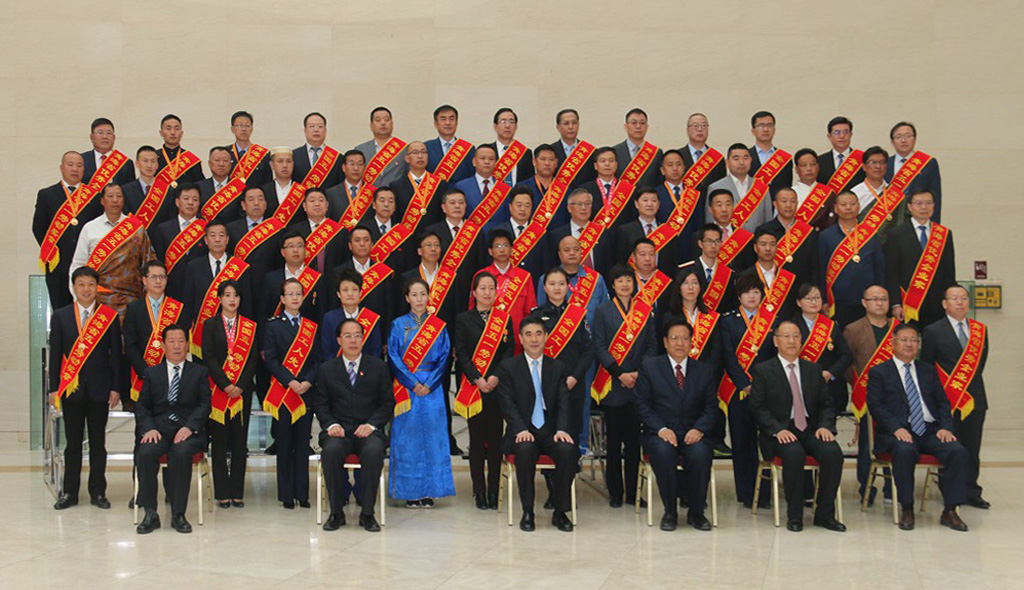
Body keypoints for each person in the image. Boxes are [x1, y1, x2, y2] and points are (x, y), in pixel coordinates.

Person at [866, 323, 970, 532]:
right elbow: (876, 406)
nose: (909, 344)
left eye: (914, 340)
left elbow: (942, 403)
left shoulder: (927, 370)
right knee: (905, 451)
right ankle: (907, 508)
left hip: (930, 431)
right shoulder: (880, 372)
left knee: (957, 451)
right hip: (898, 432)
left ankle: (950, 510)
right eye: (904, 340)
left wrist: (945, 427)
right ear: (893, 343)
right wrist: (896, 428)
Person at [750, 320, 846, 532]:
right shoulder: (763, 370)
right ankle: (795, 516)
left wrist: (825, 426)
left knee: (833, 454)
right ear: (776, 341)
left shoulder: (813, 369)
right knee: (793, 454)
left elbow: (826, 405)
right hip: (779, 432)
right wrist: (777, 429)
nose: (791, 341)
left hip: (811, 429)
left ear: (802, 340)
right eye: (786, 336)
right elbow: (757, 408)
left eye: (796, 336)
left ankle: (824, 515)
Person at [495, 316, 579, 532]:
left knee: (568, 450)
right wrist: (520, 429)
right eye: (529, 334)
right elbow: (507, 404)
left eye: (538, 334)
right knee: (525, 450)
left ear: (546, 337)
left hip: (550, 430)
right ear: (521, 339)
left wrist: (562, 429)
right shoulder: (508, 367)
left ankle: (560, 512)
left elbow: (564, 402)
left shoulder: (558, 367)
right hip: (522, 430)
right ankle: (528, 511)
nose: (534, 339)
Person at [49, 267, 123, 510]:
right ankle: (69, 492)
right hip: (71, 390)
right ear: (74, 287)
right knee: (72, 444)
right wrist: (53, 388)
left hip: (100, 390)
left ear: (96, 287)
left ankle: (98, 492)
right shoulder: (61, 316)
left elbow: (116, 356)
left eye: (91, 284)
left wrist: (116, 387)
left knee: (98, 444)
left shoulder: (108, 317)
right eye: (81, 284)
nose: (86, 289)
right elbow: (55, 356)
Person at [635, 318, 717, 531]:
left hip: (693, 432)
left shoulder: (704, 370)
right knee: (664, 452)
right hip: (659, 432)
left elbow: (711, 407)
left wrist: (699, 429)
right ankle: (670, 511)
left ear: (691, 342)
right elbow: (642, 405)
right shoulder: (650, 367)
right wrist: (661, 429)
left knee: (700, 454)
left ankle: (696, 512)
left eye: (685, 338)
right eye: (674, 338)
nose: (680, 343)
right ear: (665, 342)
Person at [315, 318, 394, 532]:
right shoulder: (327, 369)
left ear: (363, 339)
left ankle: (367, 514)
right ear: (339, 340)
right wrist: (331, 424)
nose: (353, 341)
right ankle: (336, 513)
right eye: (348, 336)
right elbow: (320, 404)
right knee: (331, 451)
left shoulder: (378, 367)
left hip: (368, 431)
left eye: (357, 336)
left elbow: (387, 404)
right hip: (339, 431)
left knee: (374, 451)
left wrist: (372, 425)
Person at [134, 324, 211, 534]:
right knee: (145, 453)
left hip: (187, 431)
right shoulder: (152, 373)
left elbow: (205, 405)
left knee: (182, 452)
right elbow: (142, 406)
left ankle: (178, 514)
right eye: (171, 341)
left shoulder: (199, 372)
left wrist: (189, 427)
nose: (177, 346)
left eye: (181, 341)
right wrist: (149, 428)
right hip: (159, 430)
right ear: (163, 346)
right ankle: (150, 513)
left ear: (187, 345)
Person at [387, 278, 456, 507]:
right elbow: (393, 356)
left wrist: (430, 383)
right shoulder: (398, 325)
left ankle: (431, 491)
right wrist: (412, 382)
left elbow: (445, 357)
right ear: (407, 298)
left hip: (432, 389)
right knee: (408, 439)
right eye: (414, 295)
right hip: (406, 388)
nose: (419, 299)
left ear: (429, 297)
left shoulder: (439, 326)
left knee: (433, 437)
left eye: (423, 294)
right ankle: (410, 491)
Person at [592, 265, 656, 508]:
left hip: (638, 385)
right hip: (613, 384)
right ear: (613, 285)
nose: (625, 285)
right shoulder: (603, 311)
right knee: (613, 444)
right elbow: (599, 346)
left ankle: (633, 493)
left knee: (633, 445)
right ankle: (615, 492)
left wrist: (639, 373)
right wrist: (619, 373)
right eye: (620, 281)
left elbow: (652, 346)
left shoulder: (645, 310)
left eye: (629, 280)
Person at [921, 285, 990, 510]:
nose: (960, 302)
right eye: (954, 298)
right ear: (944, 304)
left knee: (972, 447)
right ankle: (950, 490)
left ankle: (971, 491)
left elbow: (980, 365)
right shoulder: (932, 331)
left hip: (974, 399)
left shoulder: (980, 330)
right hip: (946, 400)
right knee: (949, 446)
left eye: (963, 298)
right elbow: (927, 367)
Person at [455, 272, 514, 510]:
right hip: (474, 388)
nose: (487, 292)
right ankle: (478, 490)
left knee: (496, 442)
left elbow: (508, 351)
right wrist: (478, 379)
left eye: (491, 288)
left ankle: (493, 490)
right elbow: (461, 353)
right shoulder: (463, 319)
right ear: (474, 292)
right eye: (483, 288)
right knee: (477, 442)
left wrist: (496, 376)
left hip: (497, 388)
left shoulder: (504, 319)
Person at [263, 278, 321, 509]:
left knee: (302, 442)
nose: (295, 297)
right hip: (283, 392)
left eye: (298, 293)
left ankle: (302, 494)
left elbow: (317, 360)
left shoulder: (311, 327)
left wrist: (307, 381)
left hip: (305, 392)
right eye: (290, 294)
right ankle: (287, 494)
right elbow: (271, 360)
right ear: (282, 299)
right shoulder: (273, 325)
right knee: (285, 443)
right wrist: (291, 381)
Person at [720, 273, 777, 508]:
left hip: (766, 392)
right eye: (747, 292)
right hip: (738, 390)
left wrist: (761, 385)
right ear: (739, 296)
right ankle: (745, 493)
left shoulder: (772, 321)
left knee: (766, 444)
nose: (752, 296)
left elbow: (775, 358)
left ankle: (765, 495)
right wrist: (744, 383)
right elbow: (727, 356)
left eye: (756, 292)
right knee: (742, 442)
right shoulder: (728, 321)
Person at [530, 267, 595, 465]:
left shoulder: (578, 315)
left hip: (573, 383)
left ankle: (569, 478)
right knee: (548, 433)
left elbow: (588, 351)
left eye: (561, 284)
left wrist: (575, 377)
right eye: (552, 284)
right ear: (544, 287)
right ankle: (551, 481)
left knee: (571, 432)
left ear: (568, 287)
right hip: (545, 384)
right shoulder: (536, 317)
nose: (557, 288)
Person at [201, 280, 256, 509]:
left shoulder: (249, 326)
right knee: (219, 443)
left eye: (236, 295)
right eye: (227, 295)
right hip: (218, 391)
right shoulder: (210, 325)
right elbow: (208, 356)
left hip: (242, 393)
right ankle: (222, 492)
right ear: (219, 299)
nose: (232, 299)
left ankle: (237, 492)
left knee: (240, 443)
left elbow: (252, 359)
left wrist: (240, 385)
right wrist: (225, 384)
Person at [843, 284, 897, 505]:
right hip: (866, 396)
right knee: (867, 444)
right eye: (874, 299)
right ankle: (866, 487)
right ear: (864, 303)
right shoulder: (853, 329)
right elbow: (847, 364)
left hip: (896, 398)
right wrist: (859, 384)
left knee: (895, 442)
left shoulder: (898, 328)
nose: (880, 303)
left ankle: (891, 489)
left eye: (884, 299)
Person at [664, 265, 727, 456]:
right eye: (685, 283)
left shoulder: (711, 317)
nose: (690, 287)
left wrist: (703, 374)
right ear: (679, 288)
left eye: (694, 283)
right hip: (676, 376)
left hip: (705, 377)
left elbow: (717, 351)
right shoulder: (669, 317)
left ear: (701, 287)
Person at [69, 183, 156, 315]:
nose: (115, 200)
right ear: (102, 201)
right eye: (110, 196)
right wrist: (78, 297)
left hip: (131, 299)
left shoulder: (136, 228)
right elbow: (78, 265)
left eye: (119, 196)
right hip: (98, 300)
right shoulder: (90, 228)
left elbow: (149, 262)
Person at [32, 151, 95, 309]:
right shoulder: (47, 195)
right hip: (58, 264)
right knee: (61, 311)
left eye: (79, 165)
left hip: (86, 265)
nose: (75, 169)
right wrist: (51, 251)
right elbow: (38, 227)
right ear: (61, 168)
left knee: (87, 311)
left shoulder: (94, 197)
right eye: (70, 165)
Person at [123, 261, 189, 408]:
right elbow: (130, 345)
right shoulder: (134, 309)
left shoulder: (178, 308)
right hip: (143, 376)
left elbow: (183, 343)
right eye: (153, 277)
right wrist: (145, 373)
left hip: (172, 377)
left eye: (162, 277)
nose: (158, 281)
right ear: (144, 280)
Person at [885, 190, 956, 326]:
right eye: (919, 203)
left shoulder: (943, 234)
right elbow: (891, 273)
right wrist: (895, 304)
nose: (924, 207)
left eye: (928, 203)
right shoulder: (896, 234)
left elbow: (949, 272)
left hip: (938, 305)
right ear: (909, 207)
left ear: (934, 206)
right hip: (907, 304)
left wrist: (950, 302)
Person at [819, 191, 885, 328]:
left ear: (859, 207)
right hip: (838, 300)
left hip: (868, 300)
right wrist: (824, 299)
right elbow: (821, 270)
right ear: (836, 208)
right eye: (843, 205)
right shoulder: (826, 236)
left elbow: (879, 268)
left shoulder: (870, 234)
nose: (848, 208)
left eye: (852, 204)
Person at [471, 229, 537, 350]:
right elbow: (472, 311)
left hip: (517, 341)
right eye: (497, 246)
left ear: (511, 249)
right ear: (490, 251)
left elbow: (530, 312)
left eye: (505, 245)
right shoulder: (481, 276)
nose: (502, 250)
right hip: (486, 341)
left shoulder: (524, 277)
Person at [792, 284, 852, 413]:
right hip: (800, 386)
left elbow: (846, 356)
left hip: (829, 387)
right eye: (808, 298)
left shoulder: (831, 326)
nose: (813, 302)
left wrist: (830, 373)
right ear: (798, 302)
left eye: (817, 298)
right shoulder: (791, 326)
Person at [755, 187, 819, 294]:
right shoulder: (764, 230)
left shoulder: (808, 232)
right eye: (784, 201)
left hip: (802, 291)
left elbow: (815, 267)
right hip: (773, 291)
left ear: (797, 204)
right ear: (775, 204)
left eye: (792, 201)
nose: (788, 205)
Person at [150, 183, 206, 302]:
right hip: (171, 290)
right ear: (177, 202)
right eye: (186, 198)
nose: (190, 203)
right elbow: (158, 260)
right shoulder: (163, 229)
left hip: (200, 290)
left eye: (195, 199)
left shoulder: (205, 229)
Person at [615, 187, 685, 276]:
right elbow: (621, 262)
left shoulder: (668, 231)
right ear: (636, 204)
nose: (649, 204)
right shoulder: (625, 231)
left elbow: (673, 263)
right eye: (645, 200)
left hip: (662, 282)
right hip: (635, 281)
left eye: (654, 201)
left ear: (659, 204)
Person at [546, 189, 613, 278]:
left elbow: (609, 265)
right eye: (579, 204)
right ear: (569, 208)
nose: (584, 208)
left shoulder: (602, 233)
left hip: (596, 283)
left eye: (587, 204)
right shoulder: (556, 235)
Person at [707, 143, 773, 231]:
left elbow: (768, 220)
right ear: (727, 162)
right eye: (736, 158)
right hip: (727, 238)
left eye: (745, 158)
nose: (741, 162)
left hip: (756, 239)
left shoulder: (761, 187)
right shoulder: (715, 187)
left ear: (750, 160)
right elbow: (709, 222)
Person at [321, 268, 383, 360]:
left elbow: (376, 351)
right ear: (338, 294)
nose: (350, 294)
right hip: (336, 367)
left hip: (367, 367)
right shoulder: (329, 318)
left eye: (354, 289)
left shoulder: (371, 317)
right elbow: (327, 351)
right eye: (345, 290)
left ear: (360, 293)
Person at [260, 232, 323, 322]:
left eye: (300, 246)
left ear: (305, 250)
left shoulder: (317, 278)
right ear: (283, 252)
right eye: (291, 246)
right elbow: (264, 313)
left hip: (307, 329)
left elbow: (321, 313)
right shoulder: (271, 279)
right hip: (278, 330)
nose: (296, 250)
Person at [886, 122, 942, 222]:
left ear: (915, 139)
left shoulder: (928, 163)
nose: (903, 140)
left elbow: (935, 196)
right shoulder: (886, 163)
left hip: (919, 218)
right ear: (892, 142)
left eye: (908, 136)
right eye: (898, 137)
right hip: (891, 219)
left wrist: (934, 223)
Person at [290, 187, 347, 278]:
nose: (317, 204)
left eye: (321, 200)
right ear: (304, 206)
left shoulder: (340, 232)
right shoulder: (294, 231)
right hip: (305, 280)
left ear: (327, 205)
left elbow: (344, 260)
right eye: (312, 201)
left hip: (334, 280)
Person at [491, 186, 547, 278]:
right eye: (519, 205)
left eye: (527, 206)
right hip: (504, 283)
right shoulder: (498, 231)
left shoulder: (539, 233)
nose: (523, 209)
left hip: (532, 283)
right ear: (510, 207)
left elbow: (545, 265)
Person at [683, 223, 736, 314]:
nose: (713, 246)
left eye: (717, 241)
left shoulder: (728, 274)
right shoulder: (686, 270)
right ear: (700, 244)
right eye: (709, 241)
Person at [354, 106, 408, 189]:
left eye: (386, 120)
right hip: (368, 195)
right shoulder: (360, 150)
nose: (383, 123)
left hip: (395, 195)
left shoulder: (404, 149)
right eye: (378, 120)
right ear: (371, 125)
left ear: (392, 124)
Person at [613, 108, 664, 189]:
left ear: (646, 127)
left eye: (642, 123)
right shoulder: (615, 152)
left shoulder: (656, 153)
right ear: (626, 127)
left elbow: (660, 181)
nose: (638, 126)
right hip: (623, 196)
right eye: (634, 123)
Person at [679, 113, 727, 197]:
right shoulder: (678, 156)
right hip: (684, 203)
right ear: (687, 130)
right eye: (695, 126)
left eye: (704, 126)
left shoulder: (717, 158)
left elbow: (721, 186)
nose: (700, 129)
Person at [425, 104, 475, 184]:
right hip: (436, 191)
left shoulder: (468, 149)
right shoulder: (426, 148)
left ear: (456, 123)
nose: (448, 123)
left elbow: (472, 176)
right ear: (436, 124)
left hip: (461, 191)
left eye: (451, 119)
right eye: (443, 119)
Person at [291, 112, 342, 189]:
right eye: (312, 126)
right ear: (305, 130)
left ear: (325, 130)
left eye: (320, 126)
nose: (316, 130)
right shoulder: (294, 156)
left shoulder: (337, 158)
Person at [747, 111, 793, 195]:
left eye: (769, 125)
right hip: (753, 202)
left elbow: (787, 187)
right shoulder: (746, 156)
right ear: (753, 131)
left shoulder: (784, 158)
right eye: (761, 125)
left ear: (774, 130)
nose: (765, 129)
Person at [550, 108, 597, 188]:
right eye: (566, 123)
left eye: (574, 123)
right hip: (560, 194)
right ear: (558, 127)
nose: (571, 127)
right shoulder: (551, 151)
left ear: (578, 125)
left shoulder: (590, 152)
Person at [791, 148, 836, 230]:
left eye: (812, 164)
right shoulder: (790, 194)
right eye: (804, 165)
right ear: (796, 169)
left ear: (818, 167)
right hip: (799, 236)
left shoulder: (828, 193)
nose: (809, 169)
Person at [487, 107, 534, 187]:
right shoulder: (487, 151)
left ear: (516, 126)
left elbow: (529, 181)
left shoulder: (525, 153)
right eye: (503, 121)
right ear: (495, 126)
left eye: (511, 122)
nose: (507, 125)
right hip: (494, 194)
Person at [81, 117, 135, 186]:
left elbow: (130, 190)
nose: (105, 136)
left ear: (114, 138)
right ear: (92, 137)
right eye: (100, 133)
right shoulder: (81, 160)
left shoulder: (126, 164)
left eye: (108, 133)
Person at [389, 140, 432, 224]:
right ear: (407, 159)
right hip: (406, 230)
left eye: (423, 152)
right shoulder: (396, 186)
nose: (420, 156)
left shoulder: (439, 184)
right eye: (415, 153)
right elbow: (395, 216)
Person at [817, 116, 864, 192]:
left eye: (845, 132)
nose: (842, 136)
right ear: (829, 136)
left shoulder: (862, 159)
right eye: (837, 133)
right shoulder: (819, 161)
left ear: (851, 135)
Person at [453, 144, 499, 219]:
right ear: (474, 161)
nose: (487, 162)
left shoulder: (503, 188)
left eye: (491, 159)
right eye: (482, 158)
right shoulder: (461, 187)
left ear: (495, 163)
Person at [155, 114, 205, 183]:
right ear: (161, 133)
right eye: (168, 129)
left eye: (177, 129)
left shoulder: (190, 159)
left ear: (181, 133)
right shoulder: (154, 158)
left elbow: (200, 185)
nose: (173, 132)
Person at [227, 110, 271, 188]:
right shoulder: (225, 153)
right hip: (231, 195)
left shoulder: (263, 155)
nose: (244, 129)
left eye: (247, 126)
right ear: (232, 129)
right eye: (239, 125)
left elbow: (267, 183)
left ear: (252, 129)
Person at [851, 146, 892, 222]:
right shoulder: (855, 193)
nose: (878, 166)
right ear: (864, 167)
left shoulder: (893, 192)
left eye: (882, 162)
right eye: (873, 162)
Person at [324, 150, 367, 221]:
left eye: (360, 164)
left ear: (364, 167)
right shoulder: (331, 193)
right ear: (344, 167)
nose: (356, 168)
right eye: (352, 164)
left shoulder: (371, 192)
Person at [122, 146, 160, 215]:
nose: (149, 165)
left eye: (153, 161)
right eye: (145, 161)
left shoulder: (167, 191)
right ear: (137, 164)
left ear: (157, 165)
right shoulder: (126, 190)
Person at [196, 147, 234, 214]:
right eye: (217, 160)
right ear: (209, 163)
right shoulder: (198, 187)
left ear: (230, 165)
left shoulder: (238, 188)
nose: (221, 164)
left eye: (225, 161)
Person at [260, 146, 296, 217]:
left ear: (293, 164)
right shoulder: (263, 191)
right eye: (280, 161)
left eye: (288, 161)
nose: (285, 165)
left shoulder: (302, 191)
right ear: (272, 165)